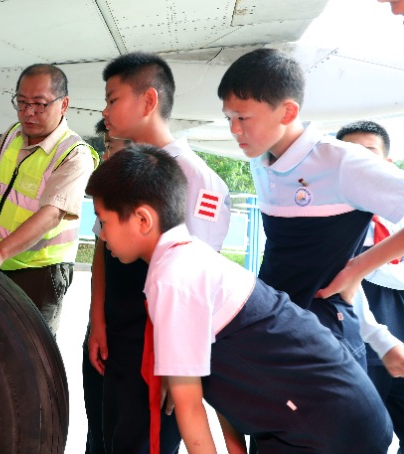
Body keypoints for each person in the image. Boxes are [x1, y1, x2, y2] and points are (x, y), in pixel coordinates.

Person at [86, 143, 393, 453]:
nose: (102, 233)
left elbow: (190, 409)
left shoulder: (172, 280)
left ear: (142, 220)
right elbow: (222, 384)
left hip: (327, 426)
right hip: (341, 408)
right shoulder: (190, 259)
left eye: (105, 221)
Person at [217, 47, 404, 376]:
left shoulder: (342, 161)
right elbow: (316, 264)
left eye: (243, 118)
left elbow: (337, 275)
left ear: (287, 112)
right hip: (271, 333)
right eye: (228, 118)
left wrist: (358, 267)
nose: (234, 130)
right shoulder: (261, 162)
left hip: (324, 347)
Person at [86, 52, 231, 454]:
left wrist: (178, 367)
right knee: (105, 438)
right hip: (113, 334)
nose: (105, 110)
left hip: (158, 341)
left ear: (148, 102)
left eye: (112, 99)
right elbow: (103, 248)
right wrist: (98, 320)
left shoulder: (199, 181)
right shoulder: (122, 170)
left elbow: (197, 285)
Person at [0, 63, 99, 334]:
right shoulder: (14, 133)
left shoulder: (74, 154)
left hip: (40, 271)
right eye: (21, 103)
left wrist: (0, 252)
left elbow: (52, 215)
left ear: (64, 104)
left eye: (39, 104)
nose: (28, 113)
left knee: (29, 355)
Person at [337, 120, 404, 454]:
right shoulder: (326, 217)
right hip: (353, 311)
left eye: (368, 154)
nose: (360, 166)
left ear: (388, 164)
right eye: (349, 156)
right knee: (356, 430)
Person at [83, 119, 130, 454]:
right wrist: (96, 321)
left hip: (138, 338)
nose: (104, 154)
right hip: (104, 328)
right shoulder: (109, 194)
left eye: (110, 146)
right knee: (97, 433)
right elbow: (100, 251)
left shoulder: (163, 196)